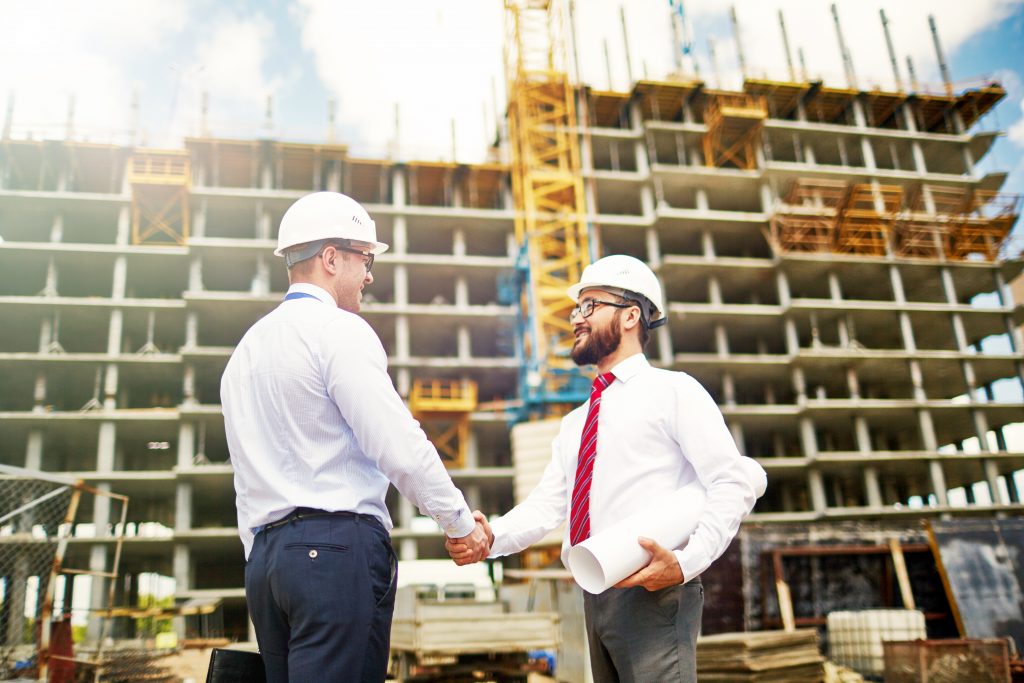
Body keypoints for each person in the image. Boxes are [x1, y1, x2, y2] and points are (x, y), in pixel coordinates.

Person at [448, 254, 766, 682]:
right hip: (593, 593)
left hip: (655, 592)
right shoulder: (576, 421)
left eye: (590, 306)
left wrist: (686, 563)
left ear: (632, 315)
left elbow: (731, 482)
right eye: (577, 308)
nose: (577, 319)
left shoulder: (674, 392)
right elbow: (547, 507)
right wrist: (492, 536)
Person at [221, 191, 489, 683]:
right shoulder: (338, 330)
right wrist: (458, 524)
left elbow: (244, 477)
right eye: (365, 259)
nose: (369, 274)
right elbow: (399, 446)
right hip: (335, 555)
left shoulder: (245, 353)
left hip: (265, 565)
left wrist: (264, 557)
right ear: (329, 259)